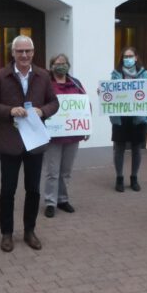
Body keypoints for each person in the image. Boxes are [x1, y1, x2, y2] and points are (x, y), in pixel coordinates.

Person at [0, 35, 59, 252]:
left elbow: (54, 102)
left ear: (33, 53)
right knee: (8, 190)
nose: (24, 55)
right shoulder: (1, 76)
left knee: (33, 189)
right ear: (13, 53)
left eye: (28, 51)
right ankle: (7, 233)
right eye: (20, 51)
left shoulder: (43, 76)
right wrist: (8, 111)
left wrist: (42, 111)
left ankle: (29, 231)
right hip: (10, 142)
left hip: (34, 141)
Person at [43, 54, 87, 218]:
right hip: (53, 136)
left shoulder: (76, 83)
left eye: (64, 63)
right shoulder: (46, 84)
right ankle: (50, 202)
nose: (61, 66)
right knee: (52, 171)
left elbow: (84, 104)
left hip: (73, 134)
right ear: (51, 66)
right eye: (57, 63)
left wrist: (86, 127)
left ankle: (62, 199)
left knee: (66, 171)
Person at [110, 47, 147, 192]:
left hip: (138, 118)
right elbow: (110, 92)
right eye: (125, 56)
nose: (127, 58)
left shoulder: (144, 74)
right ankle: (119, 178)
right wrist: (104, 93)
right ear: (122, 58)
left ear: (136, 57)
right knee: (119, 148)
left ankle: (134, 178)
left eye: (130, 55)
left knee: (136, 149)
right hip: (120, 118)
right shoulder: (116, 74)